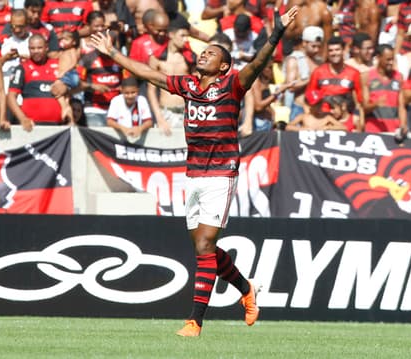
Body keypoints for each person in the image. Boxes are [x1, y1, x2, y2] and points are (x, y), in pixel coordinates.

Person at [91, 5, 298, 337]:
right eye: (205, 51)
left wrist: (276, 32)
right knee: (205, 248)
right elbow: (150, 75)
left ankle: (194, 321)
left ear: (225, 65)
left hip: (221, 172)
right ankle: (247, 289)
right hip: (194, 174)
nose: (205, 54)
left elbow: (259, 63)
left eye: (212, 53)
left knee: (204, 246)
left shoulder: (232, 84)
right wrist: (113, 51)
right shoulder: (188, 85)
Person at [146, 17, 194, 135]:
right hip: (166, 112)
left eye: (187, 36)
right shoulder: (157, 58)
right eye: (182, 35)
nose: (186, 39)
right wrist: (159, 117)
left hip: (186, 112)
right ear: (171, 34)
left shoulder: (190, 58)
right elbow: (151, 90)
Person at [305, 36, 364, 131]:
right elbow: (308, 99)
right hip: (323, 120)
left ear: (344, 51)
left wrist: (358, 119)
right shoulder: (318, 72)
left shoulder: (354, 73)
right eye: (331, 50)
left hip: (344, 121)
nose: (334, 53)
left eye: (337, 49)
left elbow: (360, 102)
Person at [8, 34, 65, 130]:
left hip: (58, 127)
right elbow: (11, 96)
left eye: (39, 48)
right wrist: (22, 119)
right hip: (31, 127)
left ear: (46, 47)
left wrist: (66, 88)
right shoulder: (22, 68)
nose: (36, 51)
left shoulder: (58, 64)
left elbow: (75, 84)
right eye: (32, 48)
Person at [361, 44, 406, 134]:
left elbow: (401, 106)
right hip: (373, 130)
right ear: (378, 58)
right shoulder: (366, 77)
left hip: (393, 130)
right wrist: (376, 104)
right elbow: (364, 107)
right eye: (388, 59)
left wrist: (403, 124)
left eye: (392, 59)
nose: (391, 62)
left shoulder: (399, 77)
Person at [282, 25, 323, 122]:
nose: (316, 50)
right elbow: (290, 86)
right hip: (299, 108)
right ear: (304, 43)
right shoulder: (294, 60)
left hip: (317, 109)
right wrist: (310, 79)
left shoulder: (319, 62)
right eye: (313, 46)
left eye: (319, 47)